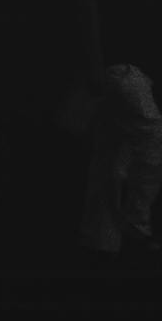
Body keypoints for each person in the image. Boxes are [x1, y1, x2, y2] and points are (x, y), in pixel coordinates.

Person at [63, 53, 162, 260]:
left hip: (115, 77)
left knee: (109, 163)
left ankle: (105, 239)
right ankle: (130, 229)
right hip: (119, 76)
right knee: (146, 151)